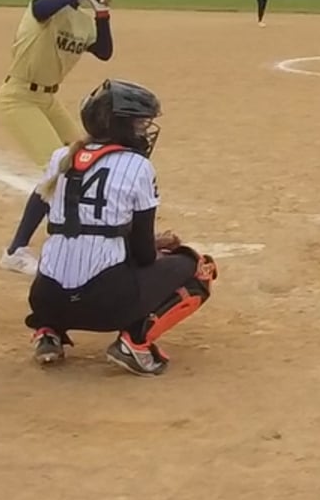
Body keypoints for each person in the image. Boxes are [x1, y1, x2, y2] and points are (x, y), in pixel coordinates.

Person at [24, 78, 218, 375]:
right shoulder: (137, 166)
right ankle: (136, 343)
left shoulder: (61, 157)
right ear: (118, 125)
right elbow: (144, 254)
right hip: (104, 306)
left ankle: (48, 331)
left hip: (45, 300)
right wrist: (156, 247)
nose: (144, 130)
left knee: (65, 247)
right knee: (199, 267)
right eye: (139, 124)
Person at [0, 0, 114, 275]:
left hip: (48, 100)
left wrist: (102, 15)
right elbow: (42, 8)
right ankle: (14, 251)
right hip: (19, 97)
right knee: (57, 169)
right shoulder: (45, 3)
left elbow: (104, 51)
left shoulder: (83, 22)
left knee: (85, 161)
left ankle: (77, 239)